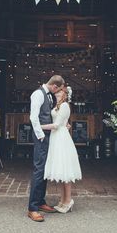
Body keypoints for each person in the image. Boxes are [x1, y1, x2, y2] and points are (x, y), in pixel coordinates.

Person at [28, 75, 65, 222]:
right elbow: (33, 117)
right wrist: (41, 135)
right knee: (39, 169)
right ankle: (32, 208)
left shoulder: (48, 94)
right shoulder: (38, 94)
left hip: (48, 136)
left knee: (44, 169)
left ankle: (41, 202)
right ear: (55, 86)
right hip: (41, 137)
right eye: (59, 89)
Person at [41, 85, 82, 213]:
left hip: (61, 138)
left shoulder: (64, 105)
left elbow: (57, 125)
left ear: (65, 94)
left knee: (65, 171)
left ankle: (68, 200)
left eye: (60, 92)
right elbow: (63, 122)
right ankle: (62, 200)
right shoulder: (57, 104)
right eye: (57, 92)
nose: (57, 93)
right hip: (56, 138)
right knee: (60, 171)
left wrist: (39, 126)